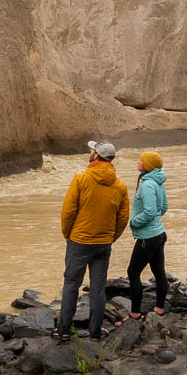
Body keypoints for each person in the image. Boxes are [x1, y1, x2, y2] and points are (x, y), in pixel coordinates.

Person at [55, 139, 130, 342]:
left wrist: (68, 235)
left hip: (78, 241)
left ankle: (63, 331)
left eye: (92, 150)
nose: (90, 152)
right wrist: (110, 237)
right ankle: (95, 333)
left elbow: (68, 211)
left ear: (96, 156)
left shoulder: (81, 178)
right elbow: (123, 219)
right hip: (103, 244)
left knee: (71, 284)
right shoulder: (120, 186)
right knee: (98, 288)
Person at [121, 150, 169, 323]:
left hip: (148, 238)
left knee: (133, 273)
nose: (138, 162)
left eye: (141, 161)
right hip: (159, 234)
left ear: (148, 165)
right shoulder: (157, 181)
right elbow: (163, 207)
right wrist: (154, 220)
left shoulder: (148, 184)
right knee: (159, 272)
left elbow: (149, 211)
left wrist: (134, 222)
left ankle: (135, 314)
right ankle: (160, 308)